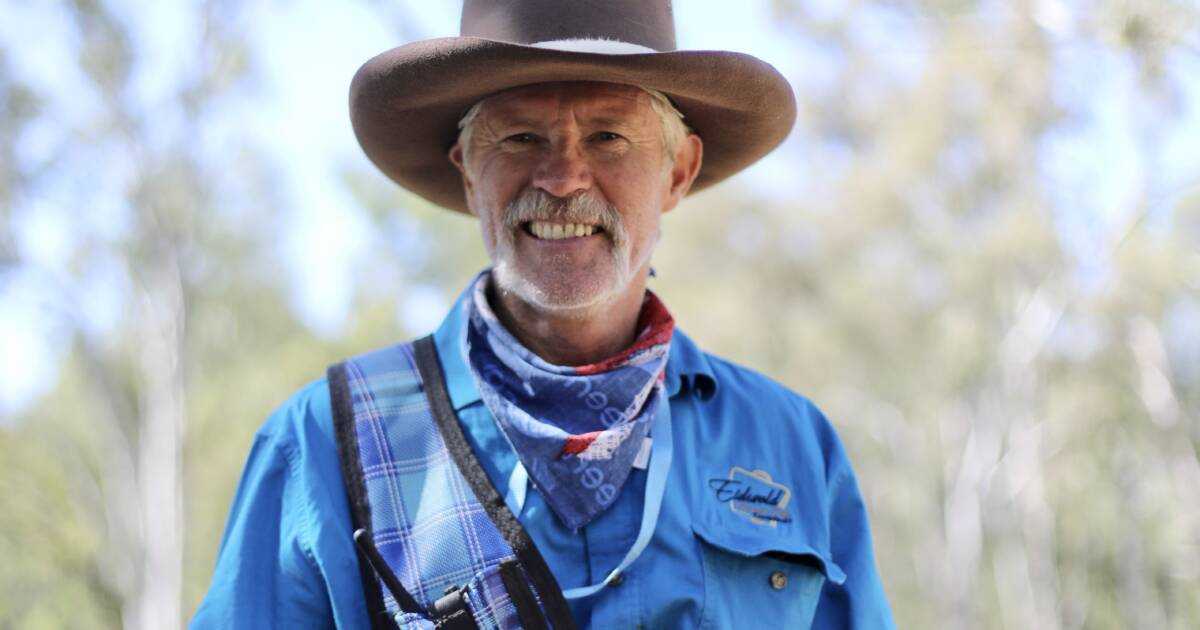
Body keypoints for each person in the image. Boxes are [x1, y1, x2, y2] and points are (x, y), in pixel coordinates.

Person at [192, 1, 895, 628]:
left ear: (678, 171)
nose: (562, 178)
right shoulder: (322, 444)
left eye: (608, 138)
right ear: (469, 172)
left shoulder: (790, 445)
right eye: (521, 138)